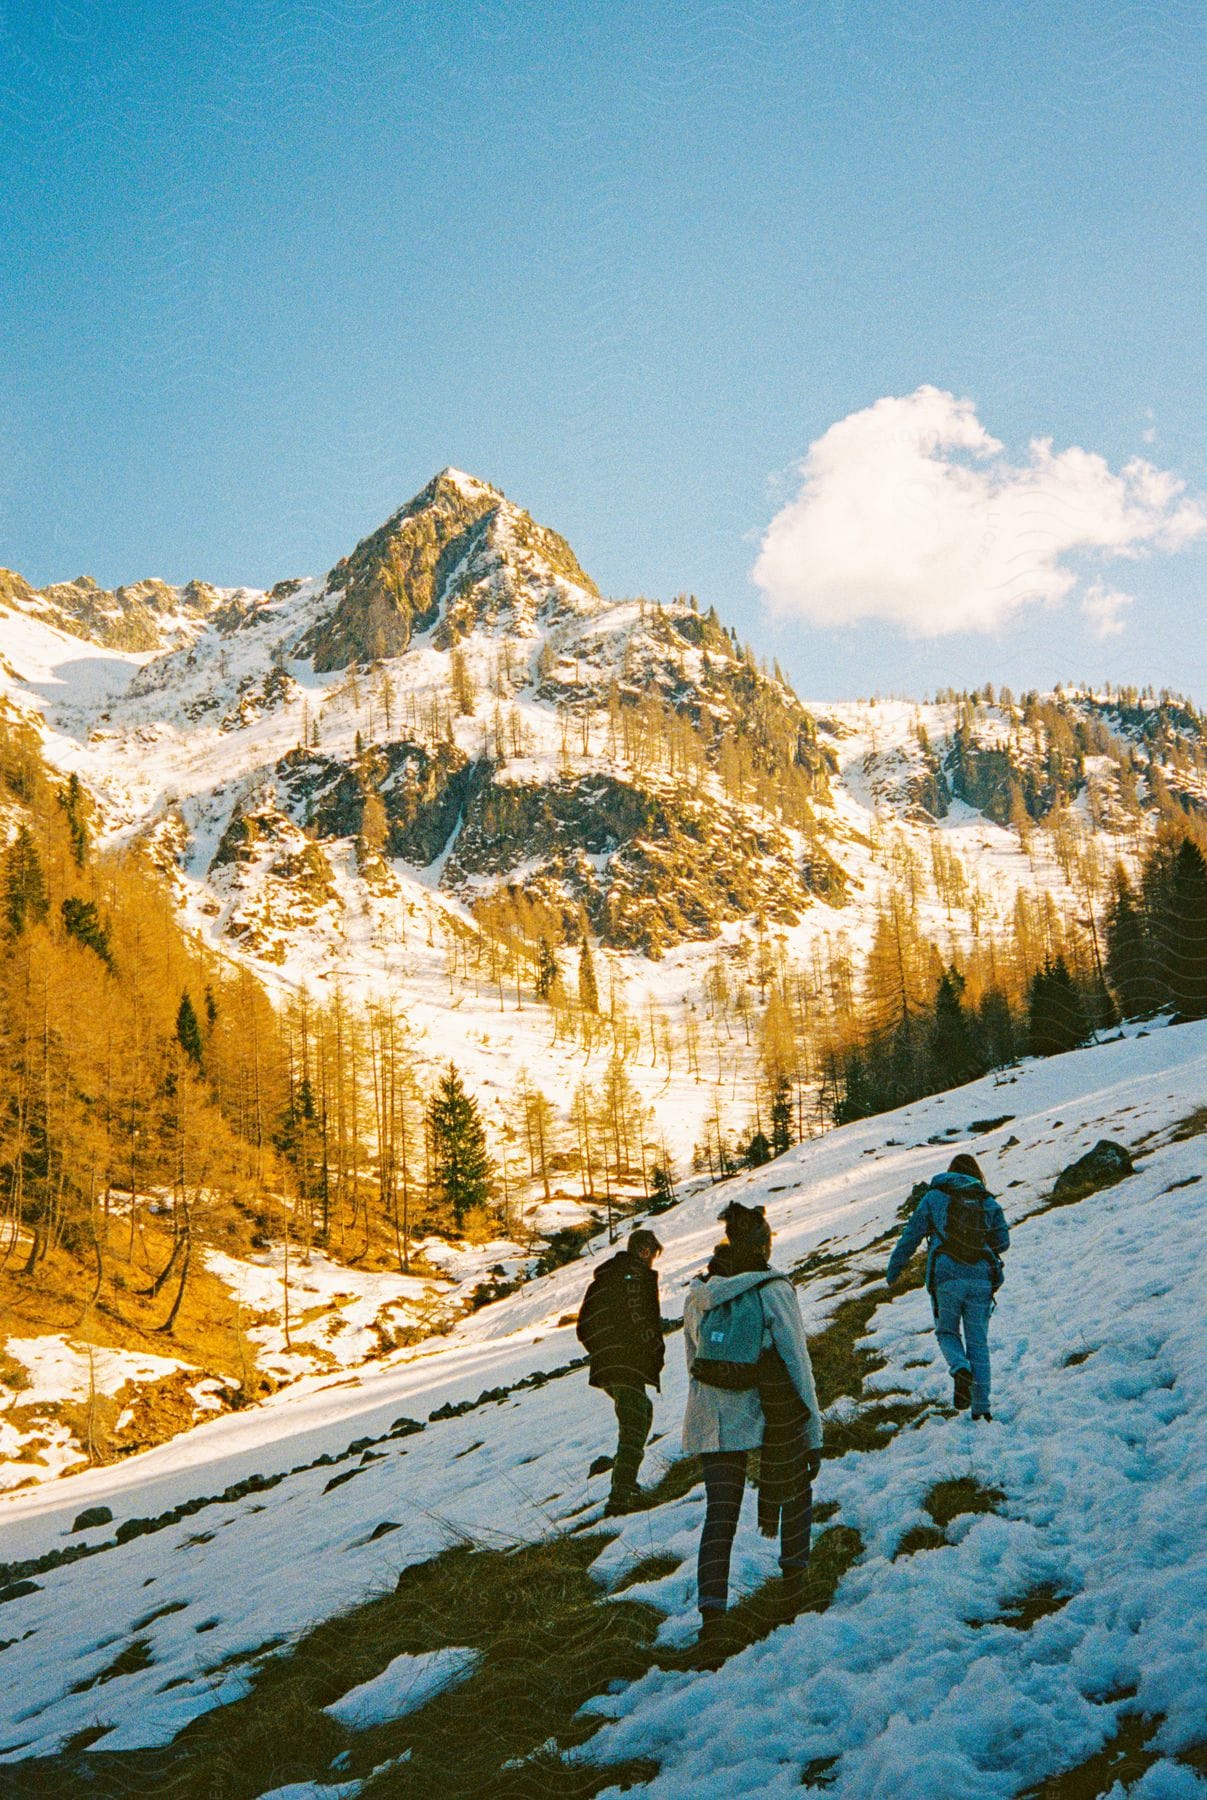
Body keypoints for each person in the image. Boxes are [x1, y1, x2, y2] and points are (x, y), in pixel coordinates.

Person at [682, 1202, 822, 1662]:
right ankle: (794, 1583)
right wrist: (813, 1428)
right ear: (763, 1245)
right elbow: (797, 1362)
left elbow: (693, 1361)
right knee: (795, 1482)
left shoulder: (698, 1293)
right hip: (763, 1414)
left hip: (711, 1417)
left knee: (720, 1515)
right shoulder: (774, 1289)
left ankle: (713, 1619)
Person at [885, 1152, 1009, 1421]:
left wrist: (894, 1270)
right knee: (978, 1342)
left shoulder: (935, 1196)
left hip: (946, 1277)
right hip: (981, 1280)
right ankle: (982, 1410)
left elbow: (911, 1235)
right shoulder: (987, 1201)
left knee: (947, 1332)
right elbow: (1002, 1243)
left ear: (950, 1171)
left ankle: (959, 1368)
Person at [576, 1227, 664, 1514]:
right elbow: (643, 1318)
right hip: (628, 1361)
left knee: (638, 1413)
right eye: (652, 1254)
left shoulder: (601, 1280)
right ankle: (621, 1496)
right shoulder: (637, 1277)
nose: (652, 1261)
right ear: (644, 1251)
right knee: (635, 1421)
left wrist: (602, 1351)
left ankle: (625, 1486)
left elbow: (583, 1326)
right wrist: (650, 1349)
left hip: (607, 1364)